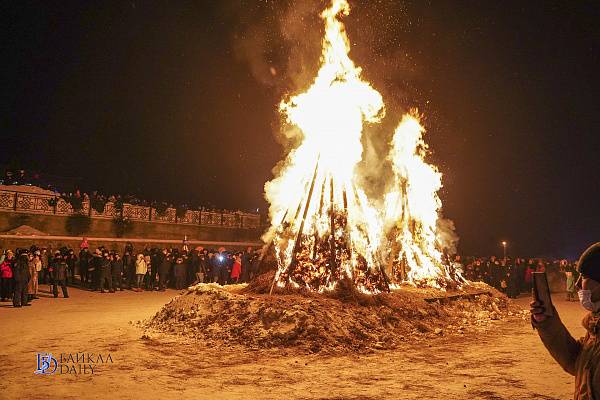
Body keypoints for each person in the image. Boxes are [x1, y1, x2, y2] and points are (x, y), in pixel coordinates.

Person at [531, 242, 600, 399]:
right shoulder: (596, 327)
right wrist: (547, 322)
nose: (577, 284)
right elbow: (577, 362)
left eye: (584, 277)